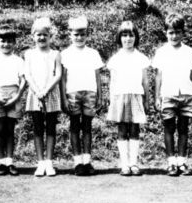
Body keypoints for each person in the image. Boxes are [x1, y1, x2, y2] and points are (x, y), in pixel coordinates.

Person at [152, 13, 192, 176]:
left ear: (183, 33)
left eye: (178, 32)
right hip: (168, 94)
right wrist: (157, 96)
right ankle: (171, 162)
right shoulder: (161, 52)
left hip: (186, 94)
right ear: (166, 33)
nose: (174, 35)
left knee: (184, 129)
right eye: (171, 32)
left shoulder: (189, 52)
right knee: (169, 128)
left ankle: (182, 162)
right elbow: (158, 75)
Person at [61, 16, 104, 176]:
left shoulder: (93, 53)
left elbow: (97, 76)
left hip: (90, 92)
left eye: (82, 34)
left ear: (87, 34)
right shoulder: (65, 54)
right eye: (76, 34)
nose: (79, 38)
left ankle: (87, 160)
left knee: (87, 127)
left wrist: (100, 95)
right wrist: (64, 97)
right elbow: (63, 78)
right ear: (69, 34)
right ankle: (77, 161)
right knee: (74, 126)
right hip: (72, 92)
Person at [106, 21, 150, 176]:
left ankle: (134, 163)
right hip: (120, 97)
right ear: (120, 38)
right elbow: (112, 82)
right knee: (122, 129)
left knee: (134, 130)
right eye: (124, 35)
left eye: (131, 35)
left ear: (136, 37)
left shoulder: (141, 58)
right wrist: (111, 101)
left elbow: (145, 81)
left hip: (136, 96)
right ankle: (124, 164)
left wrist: (147, 99)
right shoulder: (115, 59)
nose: (128, 39)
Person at [0, 27, 26, 176]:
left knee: (10, 130)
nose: (6, 44)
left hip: (13, 94)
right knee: (0, 129)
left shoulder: (18, 60)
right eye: (2, 41)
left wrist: (16, 97)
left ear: (14, 43)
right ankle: (1, 162)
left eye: (9, 41)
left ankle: (10, 161)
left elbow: (23, 82)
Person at [24, 17, 62, 177]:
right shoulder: (29, 54)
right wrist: (37, 90)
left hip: (51, 93)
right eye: (38, 34)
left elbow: (58, 74)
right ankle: (40, 163)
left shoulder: (55, 54)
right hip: (35, 94)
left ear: (50, 36)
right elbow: (27, 74)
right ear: (33, 36)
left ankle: (49, 162)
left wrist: (46, 90)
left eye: (45, 34)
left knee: (51, 128)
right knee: (38, 129)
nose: (41, 38)